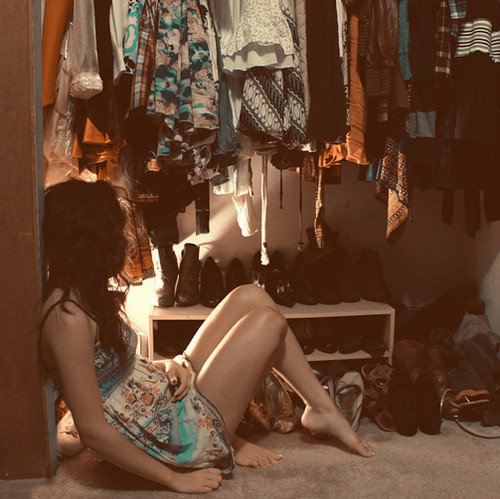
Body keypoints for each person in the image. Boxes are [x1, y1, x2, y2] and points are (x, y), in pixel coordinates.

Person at [40, 179, 374, 494]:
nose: (125, 243)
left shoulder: (83, 292)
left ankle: (320, 408)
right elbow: (93, 432)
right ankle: (231, 438)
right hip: (168, 432)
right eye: (114, 236)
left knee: (251, 296)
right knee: (269, 323)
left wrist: (168, 365)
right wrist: (174, 479)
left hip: (160, 395)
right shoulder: (67, 317)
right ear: (88, 244)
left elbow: (113, 372)